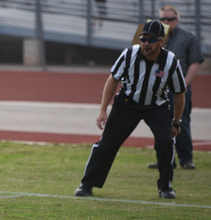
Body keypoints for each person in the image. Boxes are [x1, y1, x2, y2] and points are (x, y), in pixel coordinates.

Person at [74, 21, 186, 200]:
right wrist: (102, 110)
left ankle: (165, 186)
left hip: (157, 107)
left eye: (150, 40)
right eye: (143, 39)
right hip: (126, 105)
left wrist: (176, 121)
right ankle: (86, 184)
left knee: (165, 142)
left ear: (161, 42)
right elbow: (113, 79)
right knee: (107, 144)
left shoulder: (171, 60)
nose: (146, 44)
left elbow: (180, 93)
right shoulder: (128, 54)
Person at [147, 6, 204, 170]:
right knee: (159, 123)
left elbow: (195, 62)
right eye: (162, 19)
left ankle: (186, 159)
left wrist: (184, 85)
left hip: (178, 88)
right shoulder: (153, 37)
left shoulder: (188, 37)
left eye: (169, 19)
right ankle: (164, 160)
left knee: (181, 122)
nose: (166, 22)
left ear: (177, 20)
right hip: (158, 88)